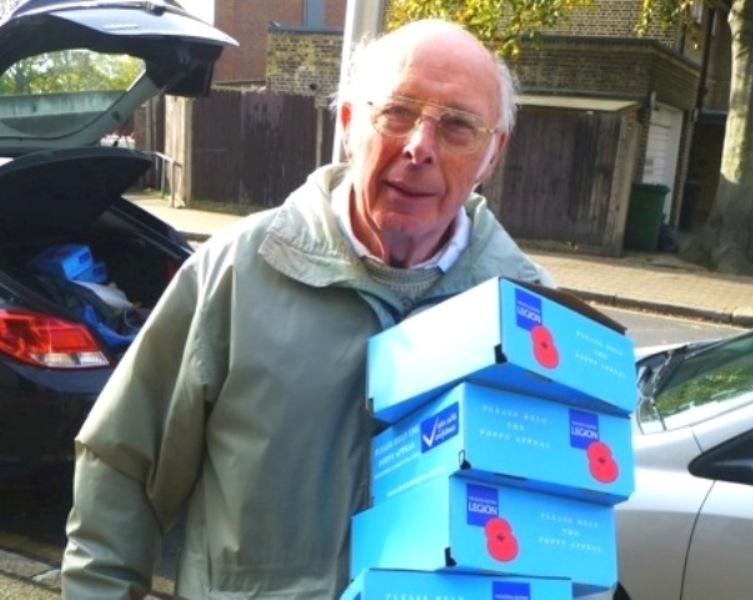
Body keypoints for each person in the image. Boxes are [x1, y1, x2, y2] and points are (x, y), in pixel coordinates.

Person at [61, 18, 554, 599]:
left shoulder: (531, 314)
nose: (421, 146)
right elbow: (122, 467)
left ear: (493, 153)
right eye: (397, 112)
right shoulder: (237, 272)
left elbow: (556, 523)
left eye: (458, 125)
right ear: (349, 124)